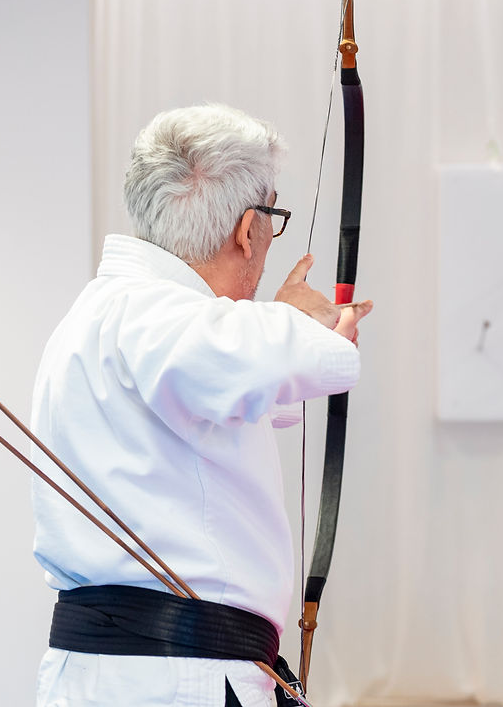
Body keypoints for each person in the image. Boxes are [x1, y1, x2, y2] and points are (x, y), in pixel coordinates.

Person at [30, 103, 372, 707]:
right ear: (248, 229)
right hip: (173, 682)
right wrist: (305, 326)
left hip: (124, 678)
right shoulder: (153, 313)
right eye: (272, 218)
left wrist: (286, 326)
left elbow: (219, 388)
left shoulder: (107, 314)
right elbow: (279, 356)